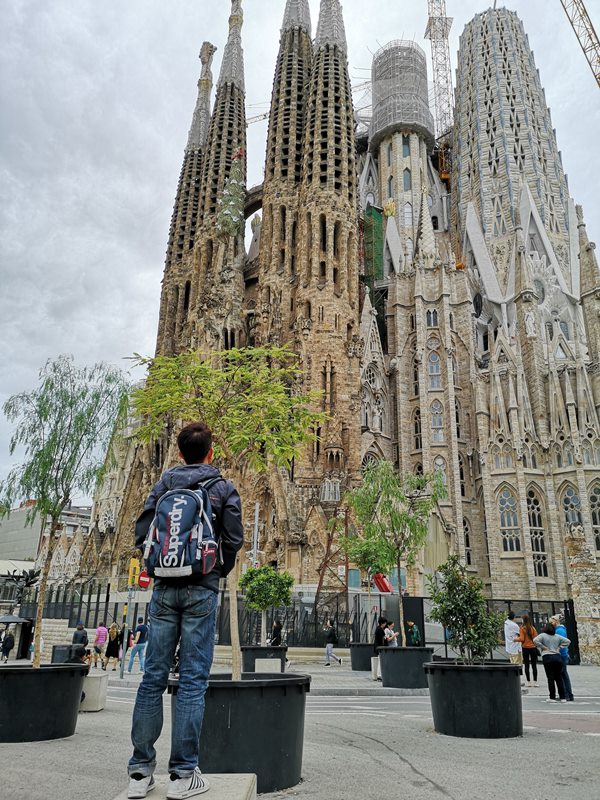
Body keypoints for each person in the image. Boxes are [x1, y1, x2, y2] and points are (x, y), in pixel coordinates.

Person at [127, 421, 243, 800]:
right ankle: (182, 775)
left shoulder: (164, 485)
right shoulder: (223, 487)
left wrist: (157, 569)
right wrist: (212, 572)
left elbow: (142, 531)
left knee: (152, 678)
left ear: (179, 454)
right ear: (211, 452)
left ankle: (140, 772)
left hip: (163, 588)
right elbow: (234, 539)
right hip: (200, 589)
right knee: (193, 680)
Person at [534, 623, 570, 702]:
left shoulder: (543, 635)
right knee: (559, 678)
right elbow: (568, 641)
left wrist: (543, 647)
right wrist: (560, 647)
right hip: (557, 657)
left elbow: (535, 640)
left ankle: (552, 697)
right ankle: (563, 697)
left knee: (550, 678)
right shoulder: (557, 636)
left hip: (547, 657)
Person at [550, 614, 574, 701]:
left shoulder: (559, 631)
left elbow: (563, 642)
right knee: (563, 674)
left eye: (551, 622)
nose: (550, 624)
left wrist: (558, 649)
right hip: (562, 655)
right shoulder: (559, 630)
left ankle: (566, 694)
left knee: (562, 674)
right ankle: (567, 694)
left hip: (561, 655)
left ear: (556, 621)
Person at [517, 614, 539, 687]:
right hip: (533, 648)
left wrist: (515, 639)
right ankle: (535, 682)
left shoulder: (522, 629)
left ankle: (529, 682)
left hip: (525, 648)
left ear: (523, 620)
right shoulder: (533, 628)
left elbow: (522, 639)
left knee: (526, 665)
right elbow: (536, 638)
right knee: (534, 665)